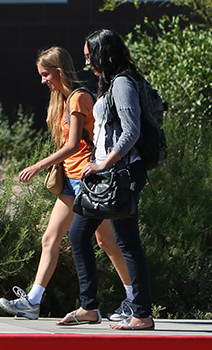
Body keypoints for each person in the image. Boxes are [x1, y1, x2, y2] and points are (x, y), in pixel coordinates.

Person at [0, 47, 133, 321]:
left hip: (88, 181)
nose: (43, 80)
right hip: (72, 183)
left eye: (46, 74)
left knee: (106, 242)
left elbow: (72, 146)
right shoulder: (62, 101)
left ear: (60, 70)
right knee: (51, 239)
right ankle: (33, 301)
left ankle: (132, 299)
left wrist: (38, 165)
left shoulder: (79, 98)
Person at [56, 29, 156, 331]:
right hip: (106, 174)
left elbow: (131, 131)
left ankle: (142, 314)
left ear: (104, 54)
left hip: (121, 174)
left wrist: (103, 163)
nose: (87, 63)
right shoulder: (111, 83)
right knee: (78, 235)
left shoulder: (123, 83)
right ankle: (89, 307)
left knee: (127, 242)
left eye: (90, 56)